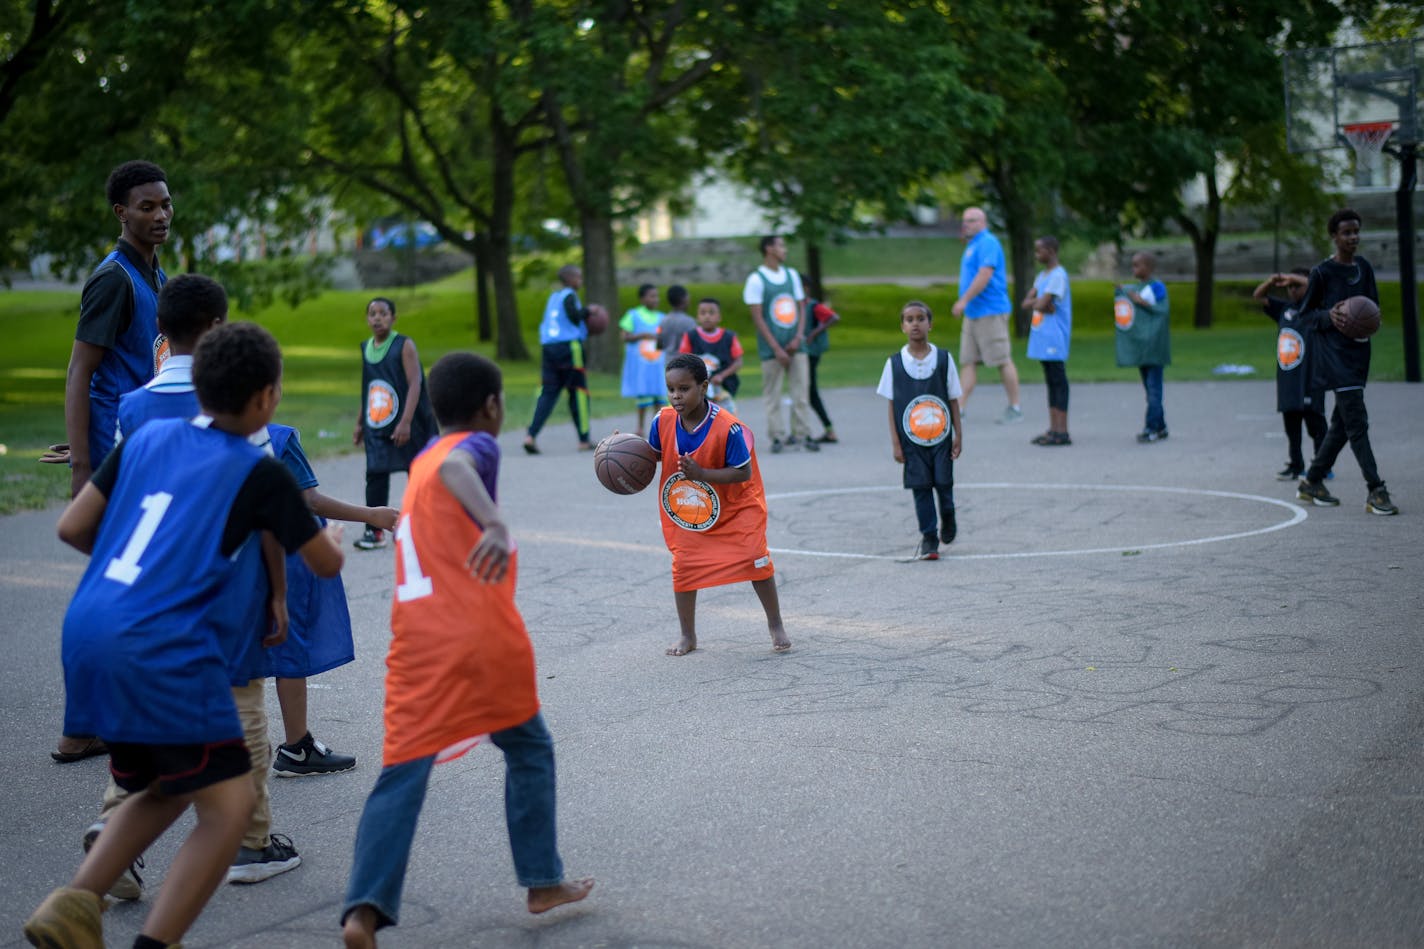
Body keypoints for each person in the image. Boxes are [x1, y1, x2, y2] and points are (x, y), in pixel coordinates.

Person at [25, 322, 343, 949]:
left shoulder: (151, 437)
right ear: (266, 398)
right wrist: (329, 540)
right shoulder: (259, 470)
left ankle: (75, 905)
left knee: (166, 785)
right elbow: (325, 562)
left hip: (91, 630)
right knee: (226, 811)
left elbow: (72, 527)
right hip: (162, 646)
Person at [341, 352, 593, 948]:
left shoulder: (420, 463)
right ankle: (541, 880)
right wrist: (496, 523)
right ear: (492, 408)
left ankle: (364, 911)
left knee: (401, 776)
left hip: (414, 647)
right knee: (529, 747)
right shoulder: (472, 448)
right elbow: (463, 466)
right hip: (478, 638)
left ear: (429, 406)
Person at [51, 160, 173, 766]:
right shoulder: (114, 279)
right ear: (121, 212)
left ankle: (105, 715)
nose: (159, 216)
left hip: (139, 447)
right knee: (113, 584)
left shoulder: (154, 273)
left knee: (123, 581)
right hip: (111, 453)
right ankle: (81, 726)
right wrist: (81, 463)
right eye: (146, 207)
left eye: (165, 205)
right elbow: (81, 371)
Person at [652, 353, 791, 657]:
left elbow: (744, 471)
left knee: (756, 557)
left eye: (684, 388)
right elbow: (649, 457)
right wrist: (622, 454)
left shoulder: (728, 427)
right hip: (692, 509)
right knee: (684, 565)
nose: (676, 396)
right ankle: (688, 635)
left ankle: (775, 624)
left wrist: (702, 474)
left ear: (704, 387)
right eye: (671, 389)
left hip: (736, 505)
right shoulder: (661, 421)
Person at [1294, 209, 1397, 515]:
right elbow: (1305, 316)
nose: (1353, 237)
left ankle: (1311, 481)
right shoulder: (1322, 273)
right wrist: (1330, 315)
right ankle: (1376, 490)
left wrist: (1366, 320)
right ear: (1334, 237)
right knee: (1358, 423)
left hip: (1358, 353)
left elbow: (1373, 310)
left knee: (1341, 425)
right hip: (1335, 357)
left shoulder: (1363, 268)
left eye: (1356, 231)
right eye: (1346, 233)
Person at [877, 301, 963, 561]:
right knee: (920, 486)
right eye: (909, 319)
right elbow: (891, 405)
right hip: (911, 440)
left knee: (944, 483)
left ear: (930, 324)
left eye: (921, 318)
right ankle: (929, 537)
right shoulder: (894, 364)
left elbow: (953, 399)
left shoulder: (944, 359)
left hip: (940, 436)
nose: (915, 323)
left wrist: (959, 434)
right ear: (902, 326)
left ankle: (948, 515)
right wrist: (895, 442)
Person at [352, 297, 437, 550]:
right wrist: (359, 423)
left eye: (383, 313)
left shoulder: (404, 345)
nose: (377, 318)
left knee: (417, 473)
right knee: (375, 474)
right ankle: (374, 531)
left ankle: (422, 527)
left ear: (393, 318)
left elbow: (415, 384)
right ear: (367, 319)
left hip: (409, 421)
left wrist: (406, 422)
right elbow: (368, 388)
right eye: (372, 313)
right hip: (377, 421)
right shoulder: (366, 347)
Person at [743, 235, 819, 453]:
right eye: (781, 245)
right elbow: (758, 317)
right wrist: (776, 348)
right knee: (772, 394)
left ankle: (802, 434)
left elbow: (801, 308)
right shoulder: (756, 279)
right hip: (771, 349)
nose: (784, 250)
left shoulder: (791, 275)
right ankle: (778, 436)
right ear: (769, 249)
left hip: (796, 346)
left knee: (801, 392)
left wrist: (798, 337)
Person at [1252, 267, 1328, 480]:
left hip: (1310, 376)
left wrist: (1292, 277)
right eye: (1290, 287)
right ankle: (1296, 464)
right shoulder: (1284, 309)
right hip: (1288, 378)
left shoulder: (1315, 307)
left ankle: (1322, 464)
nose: (1293, 290)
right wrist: (1272, 280)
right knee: (1291, 424)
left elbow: (1315, 284)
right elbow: (1258, 296)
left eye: (1297, 286)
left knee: (1316, 424)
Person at [951, 207, 1022, 424]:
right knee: (968, 361)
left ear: (983, 222)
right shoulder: (973, 245)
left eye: (972, 220)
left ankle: (1014, 407)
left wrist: (963, 300)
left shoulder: (988, 242)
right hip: (973, 314)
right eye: (965, 221)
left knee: (1001, 359)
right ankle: (959, 409)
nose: (967, 225)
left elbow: (985, 274)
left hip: (990, 310)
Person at [524, 265, 599, 455]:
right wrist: (589, 311)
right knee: (578, 392)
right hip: (569, 349)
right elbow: (574, 316)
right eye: (579, 277)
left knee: (547, 392)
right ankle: (583, 439)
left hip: (549, 348)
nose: (580, 281)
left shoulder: (553, 297)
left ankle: (530, 435)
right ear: (571, 278)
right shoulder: (570, 295)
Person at [1114, 251, 1171, 443]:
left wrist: (1141, 302)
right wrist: (1123, 291)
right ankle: (1161, 427)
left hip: (1154, 349)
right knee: (1150, 390)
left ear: (1148, 267)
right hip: (1141, 349)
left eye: (1137, 265)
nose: (1133, 269)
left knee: (1154, 390)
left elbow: (1162, 310)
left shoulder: (1157, 288)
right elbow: (1128, 294)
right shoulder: (1137, 287)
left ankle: (1151, 428)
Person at [1021, 237, 1073, 446]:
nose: (1036, 255)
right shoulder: (1042, 276)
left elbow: (1042, 302)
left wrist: (1040, 303)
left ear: (1051, 251)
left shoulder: (1058, 276)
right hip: (1042, 334)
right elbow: (1028, 303)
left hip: (1055, 336)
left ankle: (1063, 431)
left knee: (1058, 381)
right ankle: (1053, 428)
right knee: (1050, 381)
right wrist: (1039, 303)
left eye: (1039, 251)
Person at [679, 297, 744, 414]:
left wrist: (722, 376)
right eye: (703, 313)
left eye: (711, 313)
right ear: (698, 317)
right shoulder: (690, 336)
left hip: (723, 387)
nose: (707, 316)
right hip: (698, 390)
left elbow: (738, 361)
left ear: (719, 317)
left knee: (726, 418)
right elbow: (683, 362)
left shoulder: (729, 337)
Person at [620, 283, 666, 437]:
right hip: (641, 365)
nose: (655, 299)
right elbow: (624, 336)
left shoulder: (662, 318)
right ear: (642, 298)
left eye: (657, 296)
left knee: (659, 396)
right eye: (652, 296)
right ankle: (640, 427)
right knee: (643, 396)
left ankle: (658, 427)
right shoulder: (633, 315)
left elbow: (664, 339)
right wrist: (642, 335)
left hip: (657, 363)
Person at [803, 296, 840, 443]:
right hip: (805, 352)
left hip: (811, 353)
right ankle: (828, 429)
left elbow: (833, 317)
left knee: (810, 392)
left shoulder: (813, 305)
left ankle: (829, 430)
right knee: (808, 392)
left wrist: (814, 332)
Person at [656, 284, 697, 355]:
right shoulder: (689, 322)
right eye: (688, 297)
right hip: (683, 363)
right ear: (684, 299)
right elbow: (695, 345)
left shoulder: (662, 321)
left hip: (665, 362)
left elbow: (658, 345)